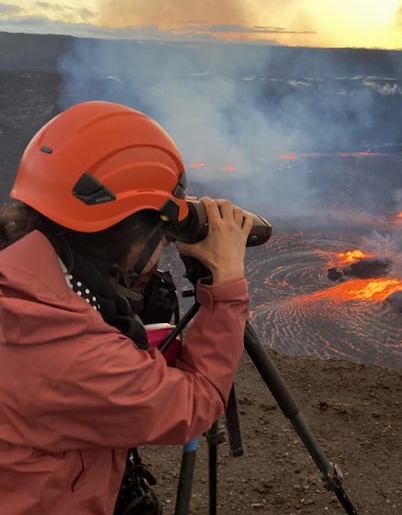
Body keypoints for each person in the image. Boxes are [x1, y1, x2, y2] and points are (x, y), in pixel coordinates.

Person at [0, 100, 254, 514]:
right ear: (133, 236)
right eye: (162, 232)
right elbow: (199, 399)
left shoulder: (21, 276)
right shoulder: (76, 353)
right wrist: (225, 283)